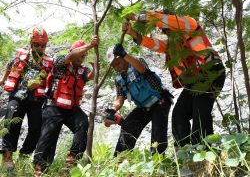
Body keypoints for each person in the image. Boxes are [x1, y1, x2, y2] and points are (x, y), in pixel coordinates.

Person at [123, 11, 226, 147]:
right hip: (195, 81)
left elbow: (162, 20)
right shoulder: (172, 44)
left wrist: (138, 17)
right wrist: (133, 34)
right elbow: (155, 44)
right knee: (179, 115)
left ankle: (204, 156)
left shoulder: (189, 23)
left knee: (200, 113)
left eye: (164, 26)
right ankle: (183, 154)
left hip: (211, 73)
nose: (164, 30)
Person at [33, 36, 99, 176]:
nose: (82, 56)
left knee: (83, 123)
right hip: (54, 106)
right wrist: (89, 45)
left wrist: (94, 68)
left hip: (72, 109)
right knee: (49, 136)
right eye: (80, 53)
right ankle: (39, 167)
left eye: (84, 55)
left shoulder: (82, 70)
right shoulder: (61, 62)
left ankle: (72, 159)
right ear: (73, 51)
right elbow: (70, 56)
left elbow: (90, 77)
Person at [104, 43, 172, 156]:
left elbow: (143, 69)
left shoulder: (136, 62)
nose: (117, 67)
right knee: (128, 126)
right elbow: (120, 98)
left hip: (160, 101)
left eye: (118, 63)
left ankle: (159, 161)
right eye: (114, 66)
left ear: (123, 58)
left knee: (157, 133)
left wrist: (124, 54)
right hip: (144, 107)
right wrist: (113, 109)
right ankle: (120, 159)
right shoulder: (119, 79)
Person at [0, 27, 53, 171]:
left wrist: (41, 82)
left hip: (36, 98)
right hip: (18, 94)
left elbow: (51, 78)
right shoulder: (21, 54)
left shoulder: (49, 60)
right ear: (31, 43)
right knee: (11, 123)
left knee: (36, 128)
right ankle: (7, 156)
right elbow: (9, 65)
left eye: (43, 45)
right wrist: (3, 79)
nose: (40, 48)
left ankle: (24, 155)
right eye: (37, 44)